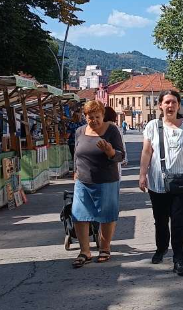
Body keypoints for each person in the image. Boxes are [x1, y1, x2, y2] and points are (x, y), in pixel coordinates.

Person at [139, 90, 183, 277]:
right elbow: (146, 152)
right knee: (160, 220)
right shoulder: (152, 126)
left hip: (182, 182)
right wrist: (142, 175)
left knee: (179, 222)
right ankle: (161, 248)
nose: (170, 106)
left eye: (174, 102)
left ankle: (179, 260)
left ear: (178, 105)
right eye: (167, 102)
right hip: (158, 182)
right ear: (160, 105)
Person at [71, 100, 125, 268]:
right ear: (85, 117)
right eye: (90, 117)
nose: (93, 120)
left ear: (103, 115)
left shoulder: (111, 130)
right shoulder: (80, 131)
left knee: (107, 216)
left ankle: (105, 248)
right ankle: (85, 251)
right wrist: (75, 170)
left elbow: (120, 156)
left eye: (97, 117)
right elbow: (76, 153)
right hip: (83, 180)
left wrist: (110, 152)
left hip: (107, 180)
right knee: (79, 215)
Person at [104, 107, 128, 172]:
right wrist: (124, 159)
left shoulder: (100, 128)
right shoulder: (117, 128)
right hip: (116, 160)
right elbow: (122, 145)